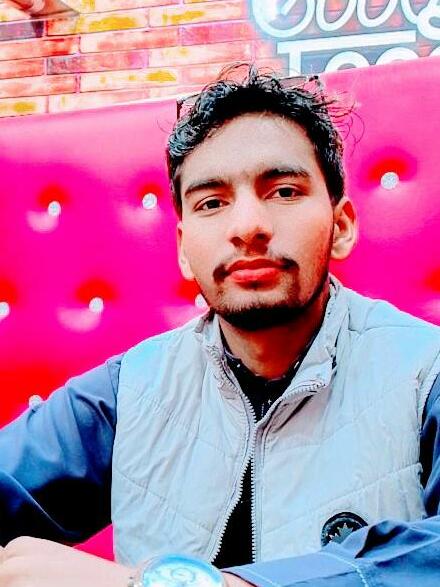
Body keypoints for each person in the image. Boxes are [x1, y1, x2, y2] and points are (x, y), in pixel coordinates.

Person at [0, 64, 440, 587]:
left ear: (341, 226)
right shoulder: (128, 391)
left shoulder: (425, 371)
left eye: (284, 191)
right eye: (212, 203)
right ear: (184, 250)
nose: (247, 226)